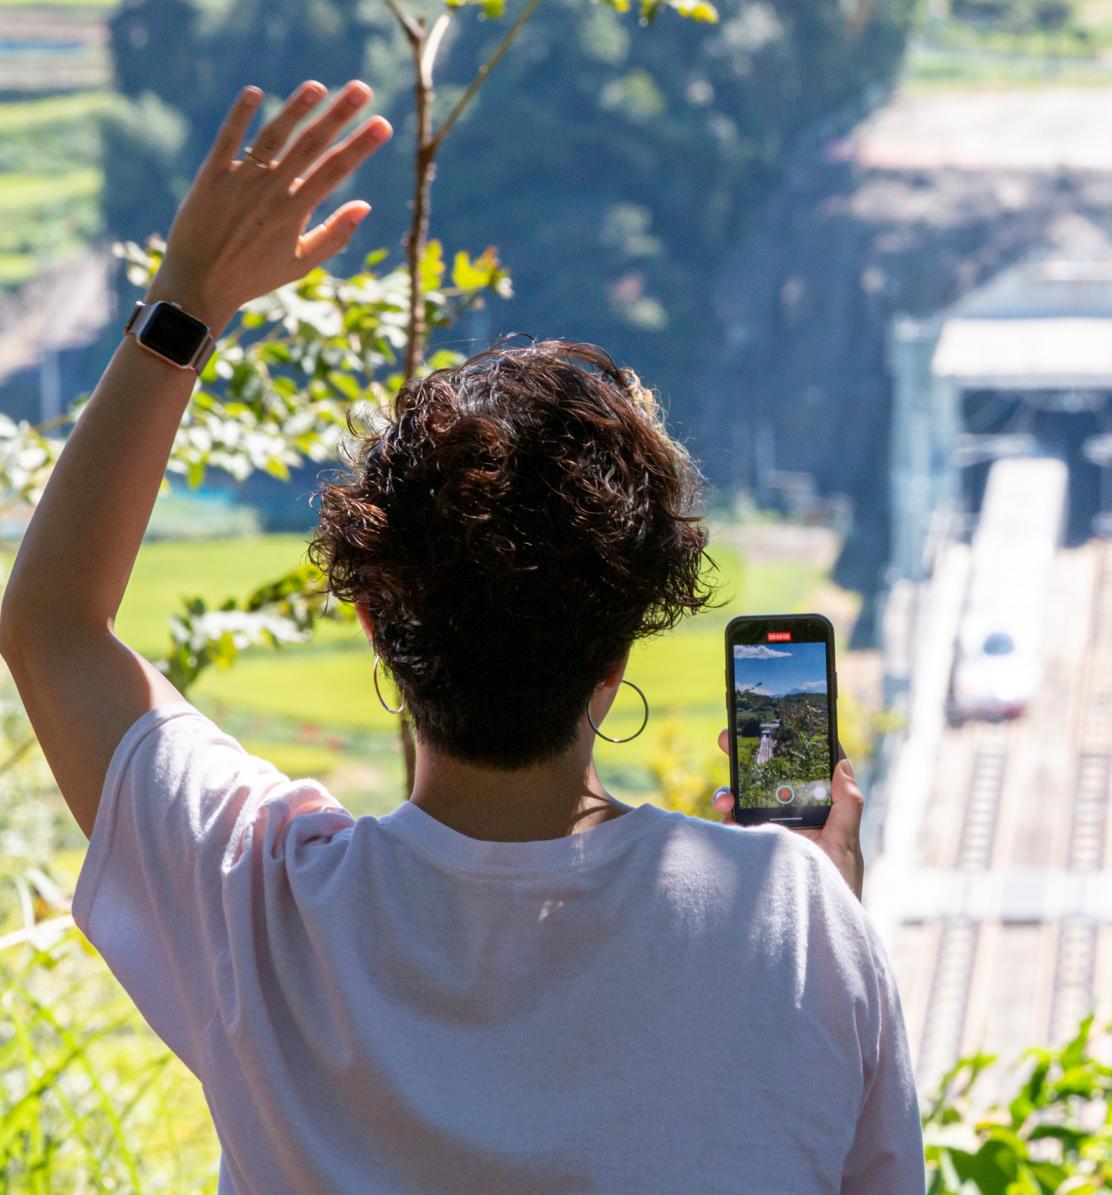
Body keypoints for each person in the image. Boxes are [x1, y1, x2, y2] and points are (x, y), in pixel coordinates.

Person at [0, 80, 922, 1194]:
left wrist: (186, 299)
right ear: (621, 643)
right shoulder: (788, 915)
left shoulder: (261, 909)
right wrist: (815, 909)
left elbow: (48, 623)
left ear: (379, 623)